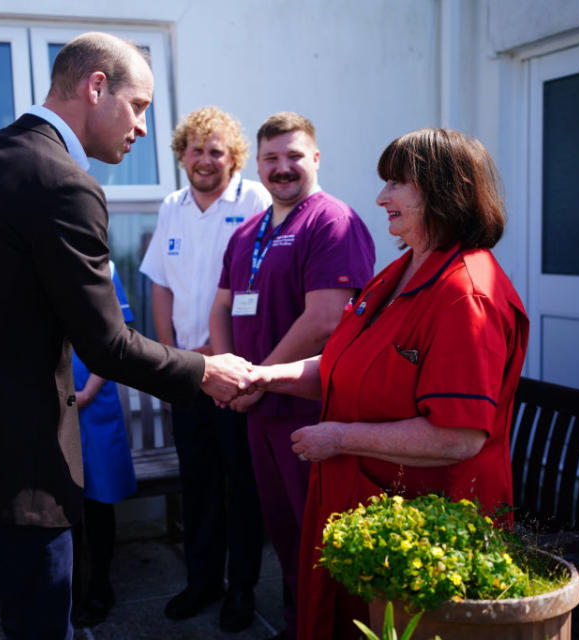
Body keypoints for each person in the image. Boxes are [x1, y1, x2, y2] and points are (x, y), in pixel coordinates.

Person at [0, 32, 254, 640]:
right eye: (138, 107)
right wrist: (204, 371)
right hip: (13, 464)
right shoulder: (64, 184)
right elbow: (105, 343)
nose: (141, 130)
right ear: (96, 86)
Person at [251, 129, 529, 639]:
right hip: (366, 514)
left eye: (398, 183)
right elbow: (345, 367)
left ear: (446, 191)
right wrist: (267, 376)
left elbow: (457, 436)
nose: (381, 197)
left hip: (422, 543)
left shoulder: (467, 294)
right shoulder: (400, 269)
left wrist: (338, 436)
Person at [209, 112, 375, 640]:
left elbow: (326, 319)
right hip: (260, 410)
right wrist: (230, 371)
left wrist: (255, 379)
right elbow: (221, 307)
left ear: (316, 158)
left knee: (322, 537)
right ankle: (300, 623)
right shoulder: (248, 233)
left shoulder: (333, 223)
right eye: (271, 159)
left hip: (311, 410)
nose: (282, 169)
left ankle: (333, 630)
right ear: (257, 164)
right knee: (284, 535)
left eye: (294, 156)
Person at [139, 106, 268, 631]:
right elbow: (160, 285)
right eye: (196, 149)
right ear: (182, 155)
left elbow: (253, 289)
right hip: (190, 373)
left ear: (233, 157)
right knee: (199, 484)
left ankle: (241, 589)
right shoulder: (172, 206)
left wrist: (230, 368)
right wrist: (173, 361)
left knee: (242, 485)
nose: (205, 160)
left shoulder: (255, 201)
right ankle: (202, 581)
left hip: (238, 374)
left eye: (216, 150)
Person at [70, 260, 136, 628]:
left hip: (94, 402)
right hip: (47, 405)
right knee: (60, 503)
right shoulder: (29, 257)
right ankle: (67, 591)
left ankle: (100, 588)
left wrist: (87, 391)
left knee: (98, 500)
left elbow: (117, 334)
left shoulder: (103, 268)